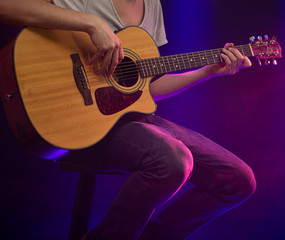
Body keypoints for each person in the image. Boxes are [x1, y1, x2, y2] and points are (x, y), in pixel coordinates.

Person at [0, 0, 256, 239]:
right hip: (80, 124)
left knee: (237, 181)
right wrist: (91, 23)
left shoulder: (151, 5)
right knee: (174, 161)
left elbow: (149, 87)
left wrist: (208, 71)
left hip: (129, 119)